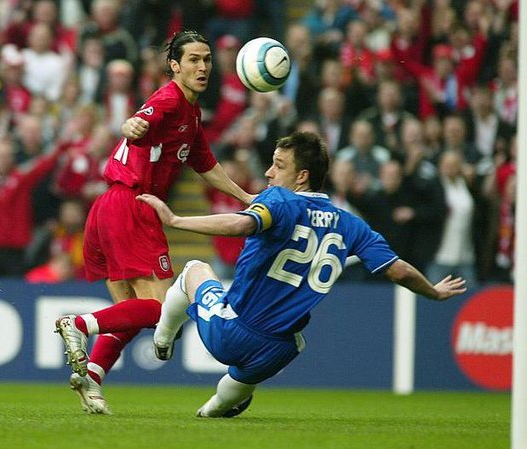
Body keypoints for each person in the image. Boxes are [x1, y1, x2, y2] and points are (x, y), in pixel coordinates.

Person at [136, 131, 466, 418]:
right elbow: (398, 270)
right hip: (277, 351)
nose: (268, 172)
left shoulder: (279, 200)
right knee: (260, 368)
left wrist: (176, 220)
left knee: (194, 269)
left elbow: (241, 223)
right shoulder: (350, 223)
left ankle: (163, 338)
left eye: (279, 166)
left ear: (302, 176)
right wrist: (433, 292)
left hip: (232, 331)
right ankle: (214, 408)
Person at [54, 30, 254, 415]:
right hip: (133, 205)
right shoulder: (169, 98)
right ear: (175, 66)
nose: (202, 67)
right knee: (159, 309)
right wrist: (131, 125)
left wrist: (245, 197)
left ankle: (92, 379)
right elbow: (143, 118)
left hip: (109, 206)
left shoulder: (192, 115)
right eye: (193, 59)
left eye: (207, 59)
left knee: (128, 312)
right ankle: (77, 323)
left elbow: (204, 164)